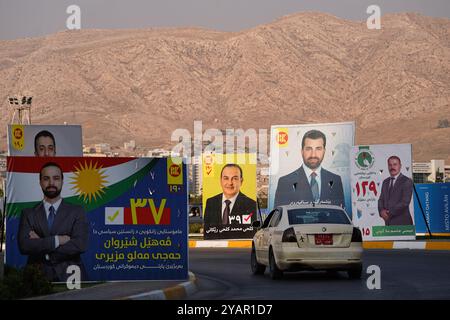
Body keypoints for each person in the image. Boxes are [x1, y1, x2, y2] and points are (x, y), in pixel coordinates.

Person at [18, 162, 89, 282]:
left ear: (62, 181)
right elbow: (25, 246)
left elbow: (80, 244)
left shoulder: (77, 211)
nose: (51, 183)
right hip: (36, 278)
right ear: (40, 182)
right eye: (46, 179)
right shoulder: (28, 213)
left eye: (56, 178)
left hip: (71, 277)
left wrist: (43, 247)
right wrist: (58, 240)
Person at [274, 129, 345, 208]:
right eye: (308, 149)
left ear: (324, 151)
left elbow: (340, 212)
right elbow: (280, 216)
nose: (313, 154)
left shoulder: (336, 180)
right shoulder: (285, 182)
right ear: (302, 151)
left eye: (318, 149)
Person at [378, 156, 413, 226]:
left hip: (403, 224)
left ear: (400, 166)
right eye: (390, 165)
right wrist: (381, 211)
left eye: (395, 164)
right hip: (388, 224)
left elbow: (405, 202)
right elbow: (381, 199)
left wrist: (389, 213)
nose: (392, 167)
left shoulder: (407, 181)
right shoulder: (385, 182)